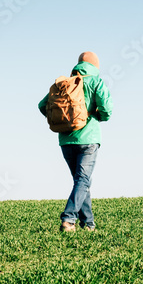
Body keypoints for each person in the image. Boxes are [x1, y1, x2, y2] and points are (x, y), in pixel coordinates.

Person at [39, 51, 112, 233]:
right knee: (83, 180)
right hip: (89, 138)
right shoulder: (96, 82)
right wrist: (97, 116)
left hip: (65, 140)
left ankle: (88, 224)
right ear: (95, 66)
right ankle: (68, 219)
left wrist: (60, 119)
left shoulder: (64, 84)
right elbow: (107, 110)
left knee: (81, 181)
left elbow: (42, 106)